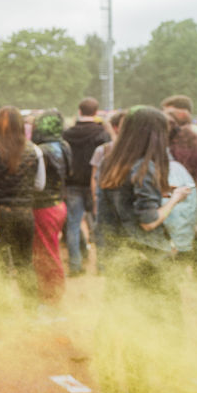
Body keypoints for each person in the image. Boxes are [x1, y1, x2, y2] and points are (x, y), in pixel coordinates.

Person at [94, 106, 192, 393]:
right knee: (147, 336)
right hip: (146, 265)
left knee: (120, 328)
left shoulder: (112, 162)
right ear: (154, 134)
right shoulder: (145, 167)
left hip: (120, 263)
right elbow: (149, 221)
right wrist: (175, 198)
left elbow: (119, 214)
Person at [0, 106, 45, 300]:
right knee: (24, 261)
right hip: (24, 212)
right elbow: (40, 185)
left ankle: (3, 310)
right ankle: (31, 308)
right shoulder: (35, 150)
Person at [62, 97, 111, 276]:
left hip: (72, 183)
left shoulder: (67, 134)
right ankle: (101, 266)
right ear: (96, 112)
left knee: (73, 225)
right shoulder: (102, 134)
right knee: (99, 225)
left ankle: (75, 265)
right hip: (95, 184)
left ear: (79, 111)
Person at [30, 110, 70, 306]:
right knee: (49, 251)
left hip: (44, 207)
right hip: (58, 204)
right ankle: (50, 295)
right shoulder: (64, 145)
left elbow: (38, 182)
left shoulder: (42, 150)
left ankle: (52, 297)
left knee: (47, 254)